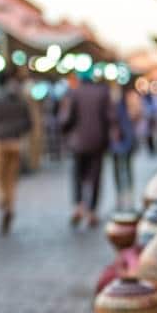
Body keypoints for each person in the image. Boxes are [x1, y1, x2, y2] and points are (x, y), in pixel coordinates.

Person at [0, 69, 33, 234]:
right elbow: (28, 122)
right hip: (15, 141)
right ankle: (9, 207)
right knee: (11, 179)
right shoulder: (20, 98)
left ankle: (1, 200)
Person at [59, 70, 114, 227]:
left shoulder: (74, 93)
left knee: (77, 175)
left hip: (78, 142)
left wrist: (64, 129)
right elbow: (110, 117)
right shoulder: (103, 92)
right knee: (95, 176)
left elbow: (67, 118)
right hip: (98, 141)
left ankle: (79, 205)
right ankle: (92, 210)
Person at [109, 84, 138, 210]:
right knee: (120, 170)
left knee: (125, 169)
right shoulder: (113, 103)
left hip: (124, 140)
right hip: (119, 140)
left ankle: (127, 198)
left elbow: (136, 116)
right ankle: (122, 198)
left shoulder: (128, 100)